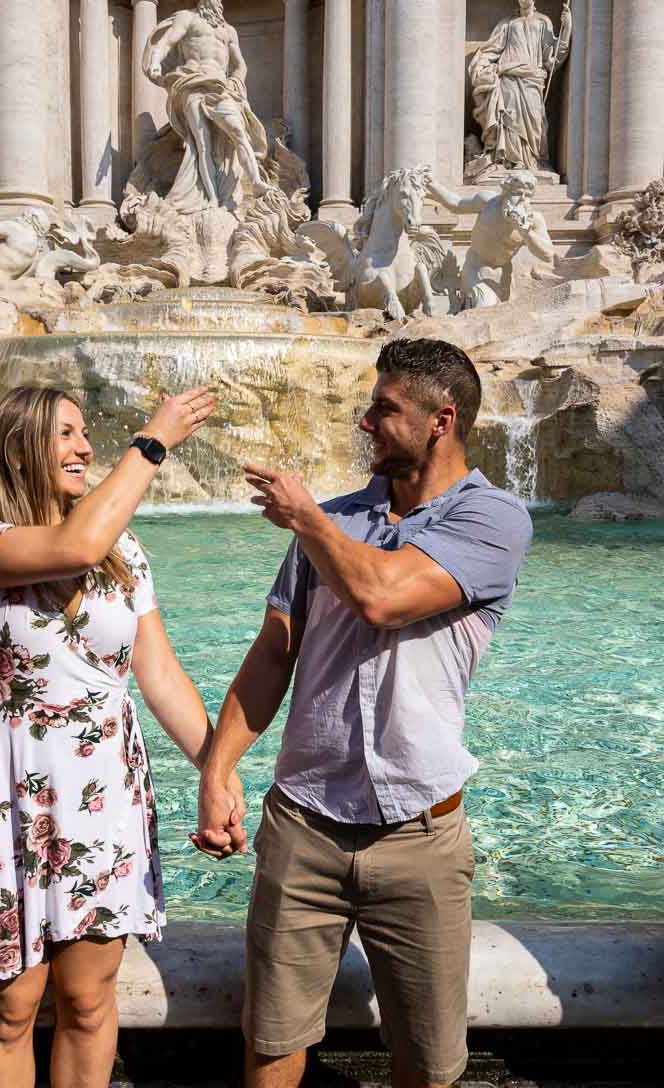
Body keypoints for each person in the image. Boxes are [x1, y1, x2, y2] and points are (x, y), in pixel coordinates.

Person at [194, 338, 533, 1088]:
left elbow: (382, 597)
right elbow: (273, 653)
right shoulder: (334, 519)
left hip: (421, 836)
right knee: (272, 1040)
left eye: (384, 408)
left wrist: (308, 520)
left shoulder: (495, 520)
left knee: (429, 1060)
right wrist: (218, 771)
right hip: (302, 826)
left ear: (441, 420)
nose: (363, 420)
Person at [0, 384, 245, 1088]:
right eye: (66, 435)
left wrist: (216, 773)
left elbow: (159, 676)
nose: (84, 448)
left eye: (85, 434)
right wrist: (152, 441)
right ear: (19, 448)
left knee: (88, 1000)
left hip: (104, 797)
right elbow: (77, 542)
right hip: (9, 797)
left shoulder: (125, 553)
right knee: (10, 1009)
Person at [144, 0, 269, 211]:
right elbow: (167, 41)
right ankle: (211, 198)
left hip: (221, 88)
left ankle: (256, 182)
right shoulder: (187, 18)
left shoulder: (228, 31)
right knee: (202, 144)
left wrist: (236, 80)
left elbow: (240, 64)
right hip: (191, 83)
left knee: (239, 131)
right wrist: (155, 61)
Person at [469, 0, 571, 174]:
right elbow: (493, 48)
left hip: (532, 76)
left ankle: (533, 160)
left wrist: (566, 28)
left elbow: (552, 55)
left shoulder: (543, 22)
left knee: (535, 118)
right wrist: (482, 65)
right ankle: (510, 161)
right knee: (509, 119)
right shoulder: (508, 23)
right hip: (508, 75)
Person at [426, 171, 554, 309]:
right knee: (485, 305)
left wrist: (526, 233)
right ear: (505, 192)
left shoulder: (533, 220)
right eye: (517, 193)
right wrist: (432, 184)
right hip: (475, 267)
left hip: (503, 275)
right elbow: (456, 204)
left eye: (528, 196)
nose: (523, 199)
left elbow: (547, 255)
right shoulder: (488, 202)